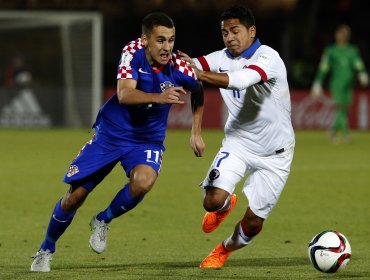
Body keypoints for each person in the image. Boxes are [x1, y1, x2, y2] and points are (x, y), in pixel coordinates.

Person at [30, 12, 205, 272]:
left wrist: (196, 131)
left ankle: (103, 220)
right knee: (74, 197)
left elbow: (199, 89)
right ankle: (46, 249)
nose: (167, 47)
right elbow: (124, 94)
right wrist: (160, 97)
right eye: (160, 40)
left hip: (147, 138)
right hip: (112, 133)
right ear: (145, 40)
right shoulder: (132, 52)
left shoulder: (179, 66)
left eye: (171, 40)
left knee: (144, 182)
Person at [178, 5, 295, 268]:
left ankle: (224, 249)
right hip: (238, 143)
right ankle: (224, 205)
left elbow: (241, 79)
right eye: (224, 32)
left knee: (253, 223)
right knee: (212, 201)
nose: (229, 37)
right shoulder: (220, 57)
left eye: (235, 31)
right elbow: (190, 71)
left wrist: (199, 73)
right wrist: (171, 64)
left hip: (276, 154)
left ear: (251, 31)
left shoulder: (269, 58)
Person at [311, 24, 369, 143]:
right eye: (339, 33)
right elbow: (324, 67)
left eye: (343, 34)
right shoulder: (331, 51)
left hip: (349, 84)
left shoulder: (352, 50)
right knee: (340, 107)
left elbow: (357, 63)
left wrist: (362, 73)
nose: (341, 36)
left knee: (344, 109)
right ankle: (347, 134)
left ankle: (332, 131)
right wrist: (318, 81)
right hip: (336, 83)